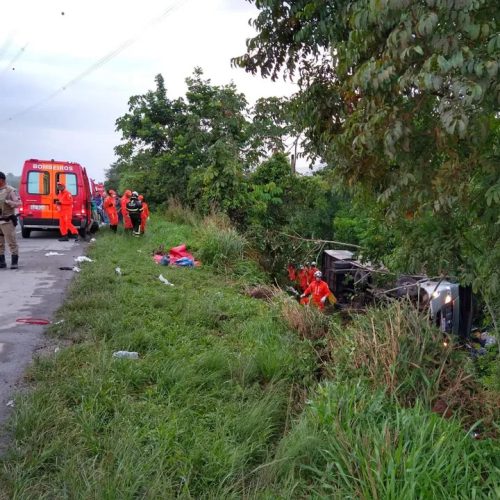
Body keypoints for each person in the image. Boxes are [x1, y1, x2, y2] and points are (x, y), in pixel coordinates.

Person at [0, 171, 22, 269]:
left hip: (7, 220)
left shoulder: (10, 190)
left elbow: (19, 203)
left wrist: (9, 202)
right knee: (0, 243)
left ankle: (14, 262)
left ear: (2, 180)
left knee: (11, 242)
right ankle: (2, 262)